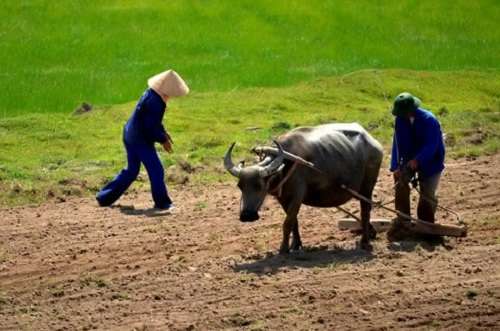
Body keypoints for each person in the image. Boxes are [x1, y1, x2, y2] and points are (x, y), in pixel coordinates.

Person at [96, 69, 189, 210]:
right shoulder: (156, 103)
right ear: (166, 90)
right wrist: (163, 139)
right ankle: (162, 203)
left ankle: (104, 197)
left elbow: (153, 122)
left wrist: (163, 132)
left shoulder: (150, 94)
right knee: (156, 169)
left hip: (129, 134)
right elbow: (150, 127)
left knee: (132, 170)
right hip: (140, 139)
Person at [389, 92, 445, 224]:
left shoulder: (429, 120)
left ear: (411, 110)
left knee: (427, 194)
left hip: (431, 160)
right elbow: (397, 143)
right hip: (408, 160)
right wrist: (396, 166)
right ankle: (403, 219)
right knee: (399, 182)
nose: (400, 116)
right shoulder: (400, 119)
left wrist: (418, 160)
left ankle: (426, 224)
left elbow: (432, 145)